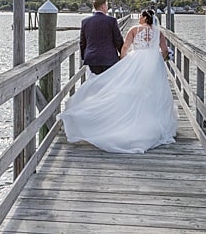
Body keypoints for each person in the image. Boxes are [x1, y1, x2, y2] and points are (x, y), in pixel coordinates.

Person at [59, 10, 177, 154]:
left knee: (133, 90)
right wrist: (162, 58)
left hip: (137, 62)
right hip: (153, 63)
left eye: (140, 15)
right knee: (154, 91)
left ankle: (133, 120)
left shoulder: (134, 29)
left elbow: (125, 47)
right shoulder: (159, 33)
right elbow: (164, 50)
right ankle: (152, 122)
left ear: (145, 17)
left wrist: (122, 61)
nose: (139, 18)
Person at [79, 0, 124, 75]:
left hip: (91, 58)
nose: (107, 8)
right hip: (109, 58)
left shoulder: (85, 21)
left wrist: (84, 57)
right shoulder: (112, 20)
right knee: (108, 84)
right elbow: (118, 40)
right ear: (103, 6)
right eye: (107, 5)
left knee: (94, 84)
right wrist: (122, 53)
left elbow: (82, 42)